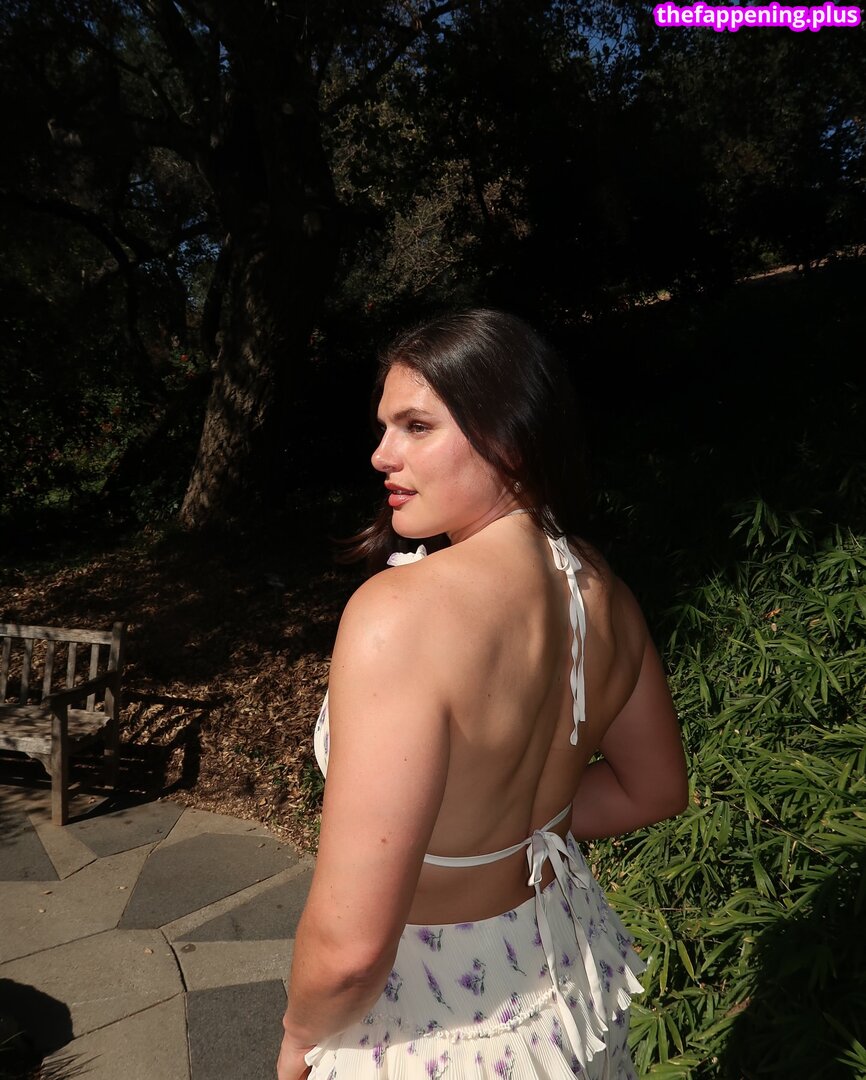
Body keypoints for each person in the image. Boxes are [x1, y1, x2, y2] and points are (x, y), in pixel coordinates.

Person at [277, 310, 688, 1080]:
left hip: (433, 1022)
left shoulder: (398, 617)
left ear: (511, 436)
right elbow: (655, 789)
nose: (380, 454)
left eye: (415, 426)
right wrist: (522, 822)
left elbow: (352, 949)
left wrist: (300, 1038)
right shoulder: (601, 593)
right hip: (570, 994)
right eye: (384, 427)